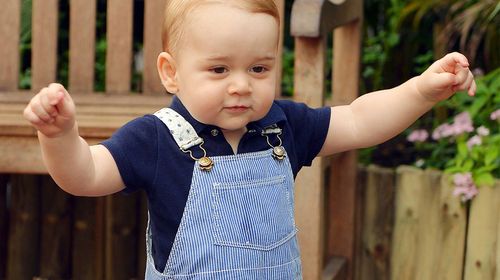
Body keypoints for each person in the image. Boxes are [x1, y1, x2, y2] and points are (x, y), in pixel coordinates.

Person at [23, 0, 476, 279]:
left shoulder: (283, 126)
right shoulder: (157, 139)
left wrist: (419, 90)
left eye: (258, 69)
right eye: (219, 69)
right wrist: (61, 135)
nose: (241, 85)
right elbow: (84, 174)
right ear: (171, 72)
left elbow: (358, 121)